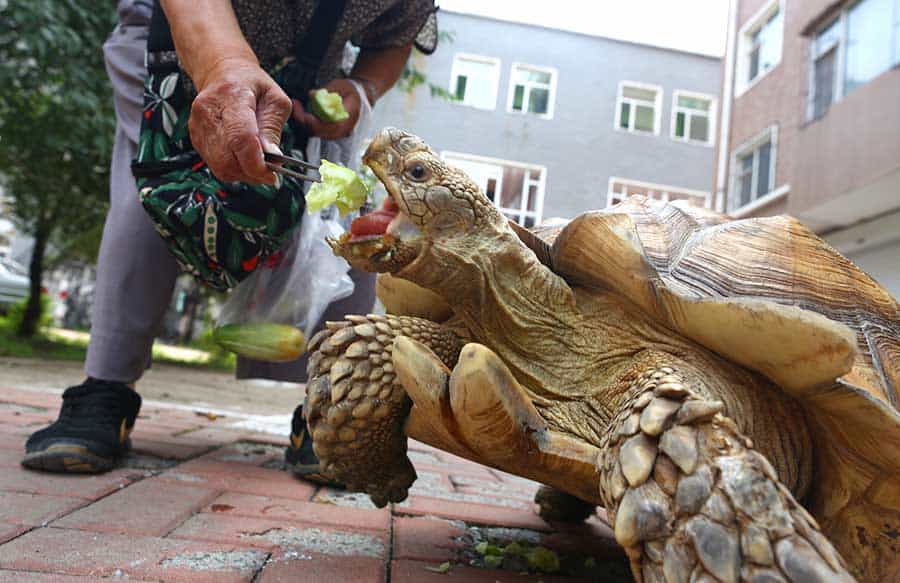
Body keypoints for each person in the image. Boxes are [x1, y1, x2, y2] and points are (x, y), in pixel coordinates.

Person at [20, 0, 438, 481]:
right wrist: (224, 67)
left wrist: (360, 89)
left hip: (309, 76)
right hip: (172, 45)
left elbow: (395, 35)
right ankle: (103, 391)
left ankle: (333, 408)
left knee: (342, 217)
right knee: (154, 192)